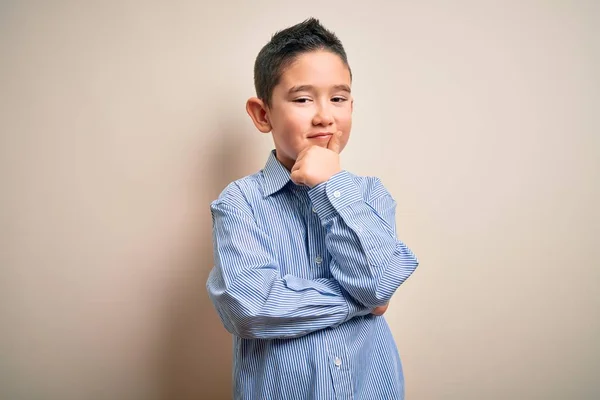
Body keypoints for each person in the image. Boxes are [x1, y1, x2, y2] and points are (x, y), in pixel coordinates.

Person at [206, 17, 419, 400]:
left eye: (338, 98)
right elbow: (250, 306)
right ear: (262, 114)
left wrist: (331, 186)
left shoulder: (370, 195)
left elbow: (379, 279)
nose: (325, 115)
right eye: (303, 99)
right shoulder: (240, 203)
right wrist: (361, 301)